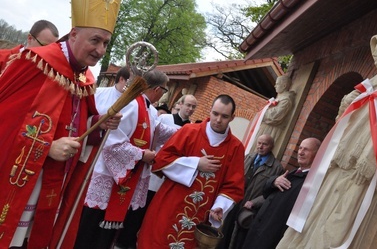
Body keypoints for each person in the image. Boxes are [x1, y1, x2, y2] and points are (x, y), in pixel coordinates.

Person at [0, 0, 122, 248]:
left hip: (54, 183)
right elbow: (5, 121)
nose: (100, 50)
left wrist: (98, 124)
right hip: (23, 181)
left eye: (106, 43)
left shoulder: (85, 77)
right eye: (95, 40)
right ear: (74, 34)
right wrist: (48, 146)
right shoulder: (35, 62)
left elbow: (77, 123)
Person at [277, 33, 377, 248]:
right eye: (374, 51)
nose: (376, 55)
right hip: (339, 162)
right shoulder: (373, 84)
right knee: (313, 217)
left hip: (360, 168)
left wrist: (367, 158)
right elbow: (343, 124)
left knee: (336, 226)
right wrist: (347, 104)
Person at [74, 67, 177, 249]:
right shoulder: (131, 104)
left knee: (105, 237)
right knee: (90, 234)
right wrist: (142, 155)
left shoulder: (149, 110)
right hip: (108, 180)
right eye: (165, 90)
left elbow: (157, 131)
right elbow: (111, 143)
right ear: (157, 90)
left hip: (124, 180)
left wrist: (189, 132)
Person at [137, 94, 245, 249]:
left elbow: (233, 186)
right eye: (215, 114)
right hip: (170, 204)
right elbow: (161, 159)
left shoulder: (236, 148)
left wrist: (220, 206)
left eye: (224, 116)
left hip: (201, 215)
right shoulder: (189, 131)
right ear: (210, 111)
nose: (218, 120)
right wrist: (195, 164)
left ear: (232, 118)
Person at [241, 138, 321, 249]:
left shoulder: (311, 182)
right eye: (300, 148)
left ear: (318, 154)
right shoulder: (293, 172)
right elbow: (265, 193)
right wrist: (273, 181)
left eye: (306, 150)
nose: (301, 152)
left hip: (271, 238)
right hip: (257, 230)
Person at [219, 134, 284, 249]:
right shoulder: (248, 157)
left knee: (238, 240)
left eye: (265, 144)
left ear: (271, 147)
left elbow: (271, 194)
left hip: (250, 209)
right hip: (235, 202)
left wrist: (254, 202)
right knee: (224, 233)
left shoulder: (276, 167)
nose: (260, 146)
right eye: (259, 143)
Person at [244, 75, 296, 154]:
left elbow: (275, 116)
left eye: (277, 84)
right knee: (252, 148)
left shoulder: (286, 99)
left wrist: (264, 112)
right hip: (265, 127)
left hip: (270, 129)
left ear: (284, 85)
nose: (275, 86)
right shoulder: (280, 97)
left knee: (258, 150)